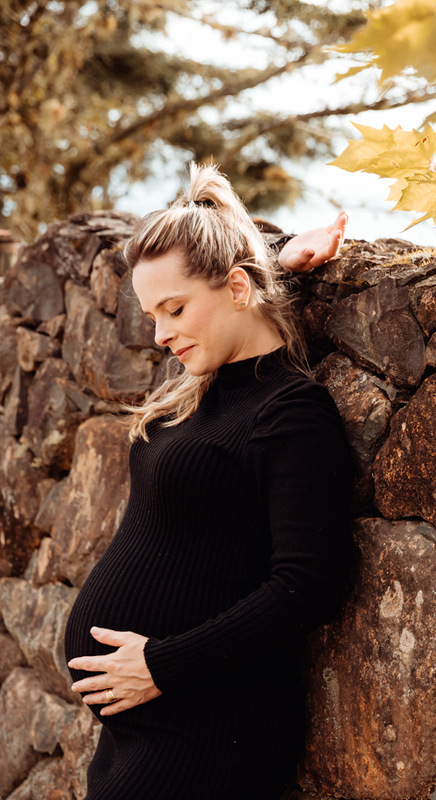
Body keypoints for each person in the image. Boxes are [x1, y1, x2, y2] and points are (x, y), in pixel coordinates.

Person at [64, 163, 356, 800]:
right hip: (149, 728)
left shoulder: (290, 412)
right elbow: (227, 269)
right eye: (153, 315)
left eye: (174, 309)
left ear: (238, 287)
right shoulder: (205, 388)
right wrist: (279, 254)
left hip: (208, 729)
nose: (161, 334)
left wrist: (160, 665)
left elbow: (308, 585)